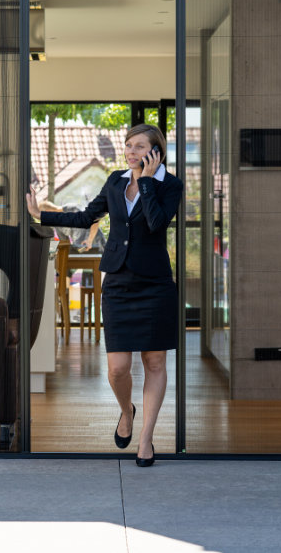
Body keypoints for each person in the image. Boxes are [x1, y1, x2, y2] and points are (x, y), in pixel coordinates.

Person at [25, 124, 182, 467]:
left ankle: (145, 440)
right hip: (118, 284)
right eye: (128, 145)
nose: (130, 151)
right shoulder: (114, 181)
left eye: (139, 146)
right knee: (117, 369)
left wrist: (149, 181)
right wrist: (41, 214)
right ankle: (127, 412)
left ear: (156, 152)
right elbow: (86, 216)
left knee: (154, 363)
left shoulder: (170, 185)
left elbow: (156, 223)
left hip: (155, 285)